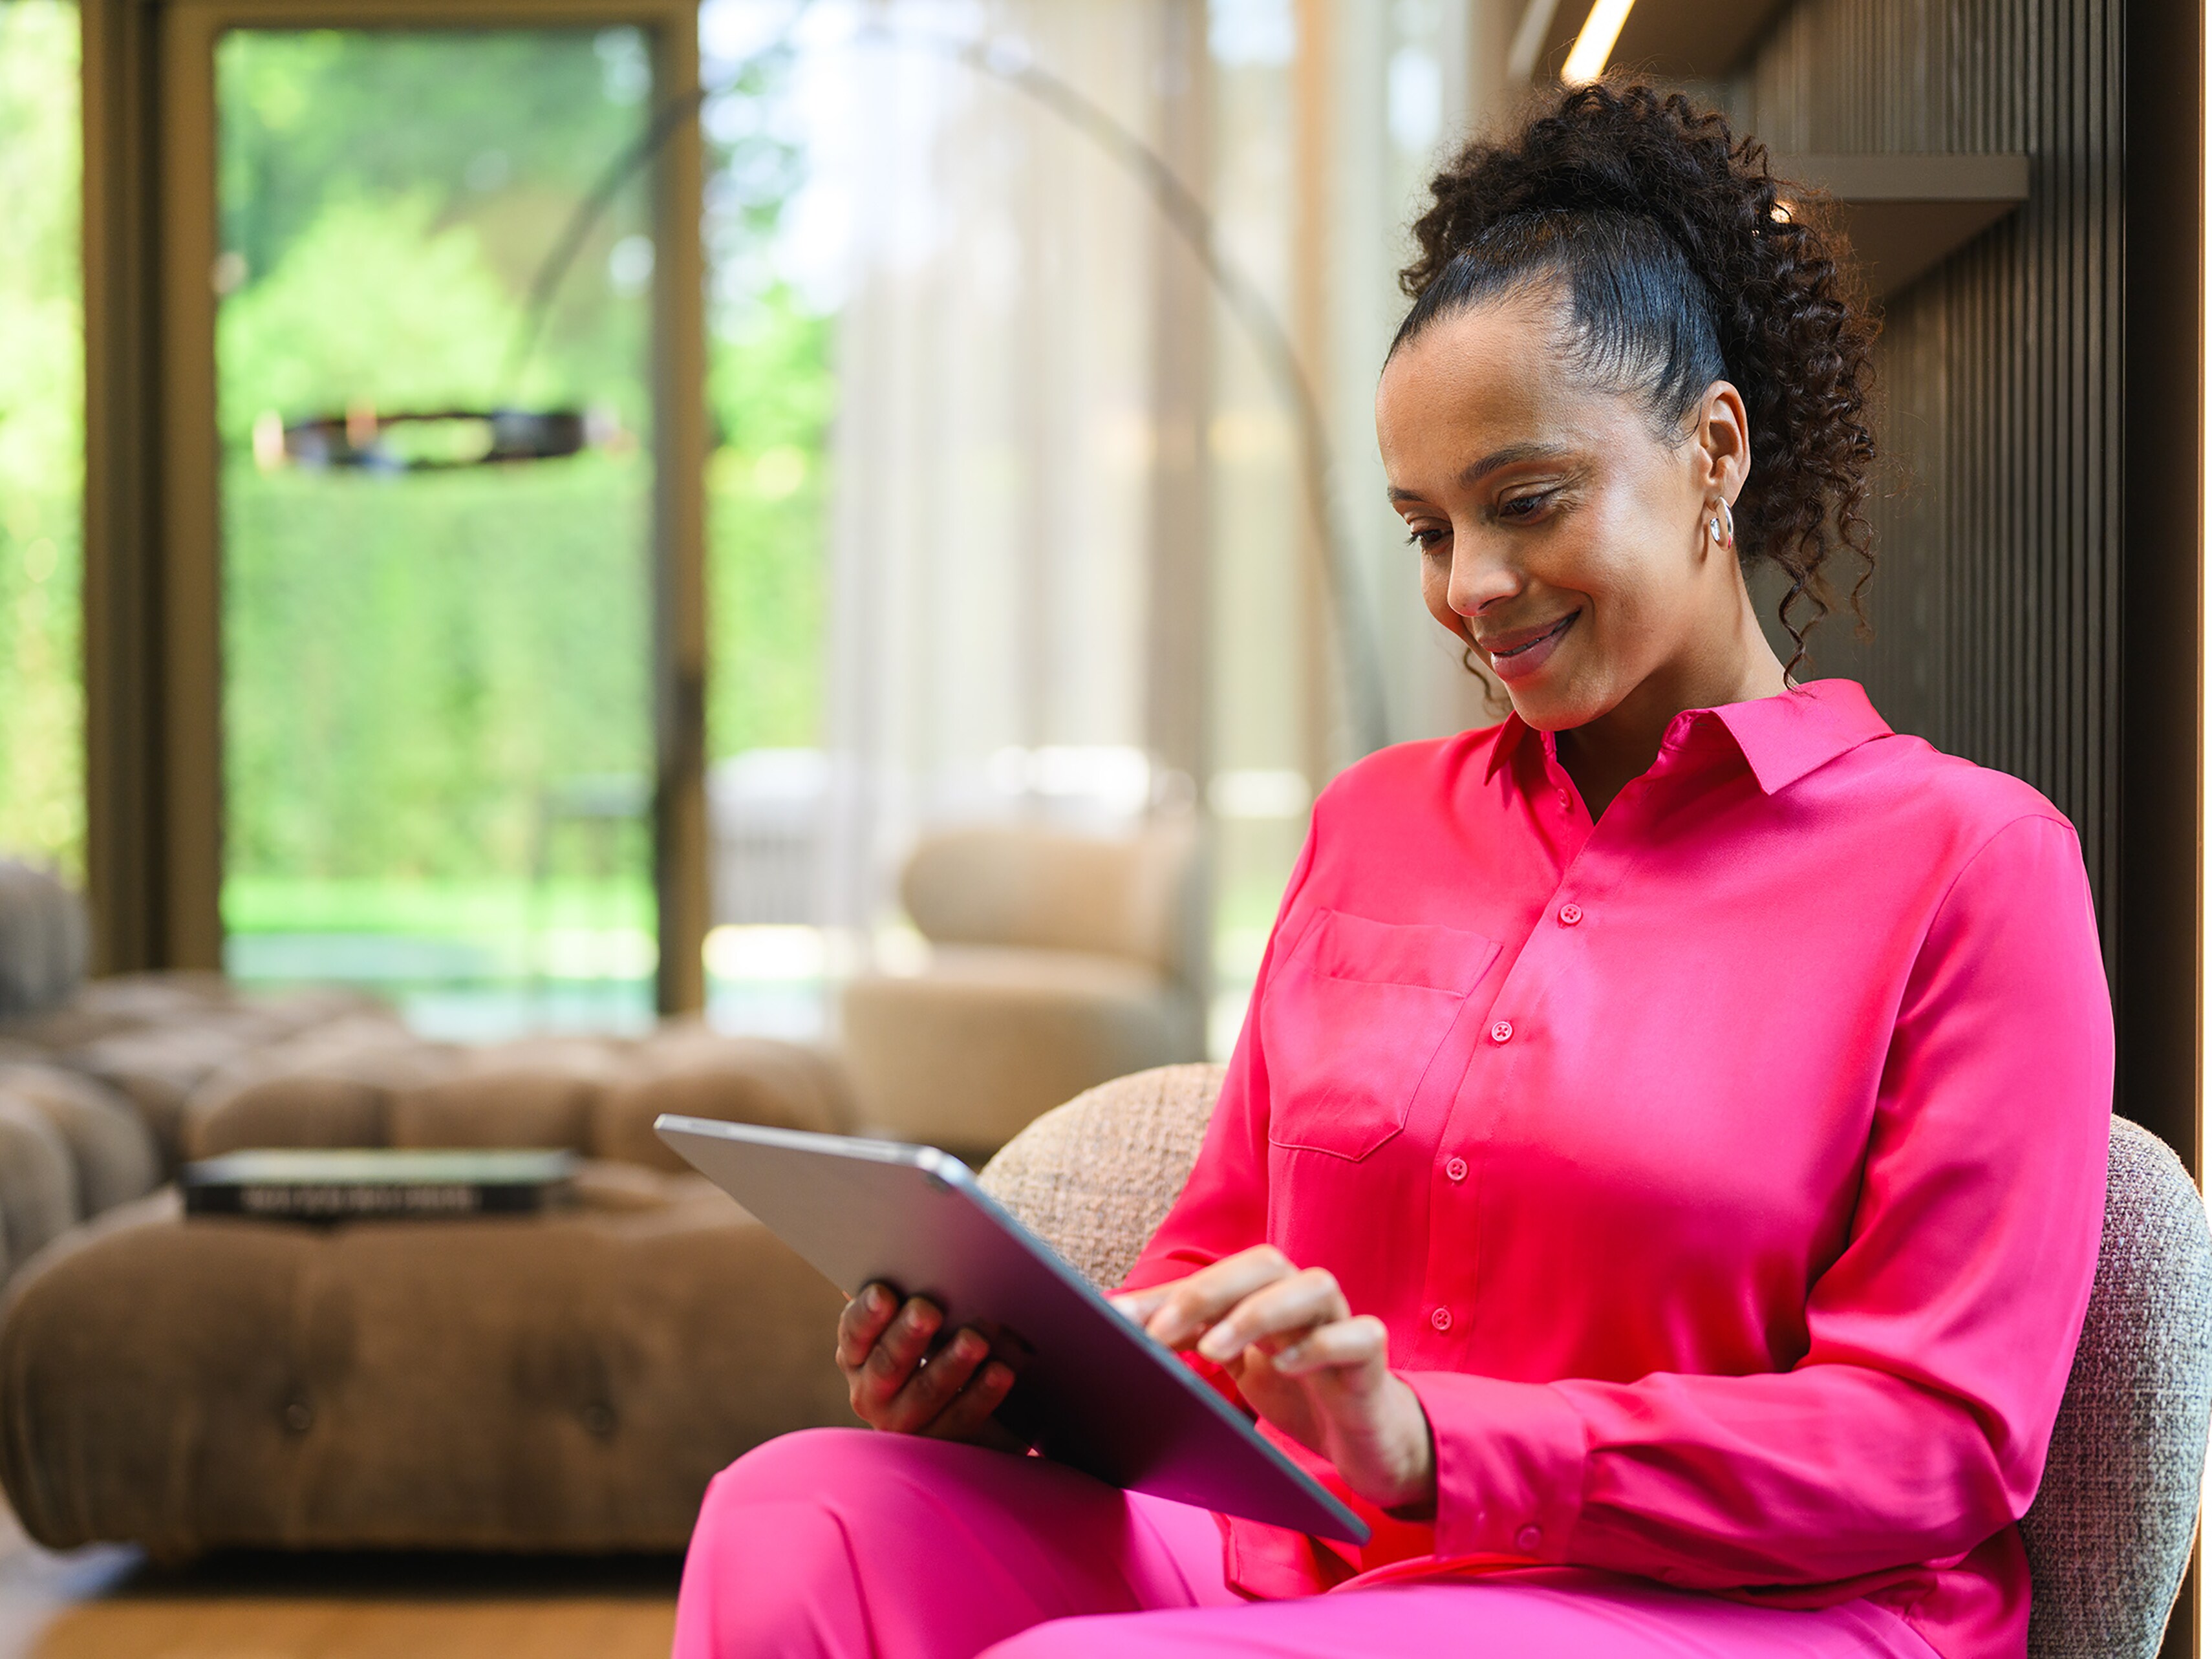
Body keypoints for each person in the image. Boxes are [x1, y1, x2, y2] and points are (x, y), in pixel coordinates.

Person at [672, 82, 2112, 1659]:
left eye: (1526, 502)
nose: (1470, 587)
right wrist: (1015, 1387)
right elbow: (1209, 1257)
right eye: (1426, 528)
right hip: (1312, 1570)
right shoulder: (1372, 822)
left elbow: (1936, 1436)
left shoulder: (1974, 863)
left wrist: (1437, 1440)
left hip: (1728, 1613)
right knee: (795, 1508)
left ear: (1713, 451)